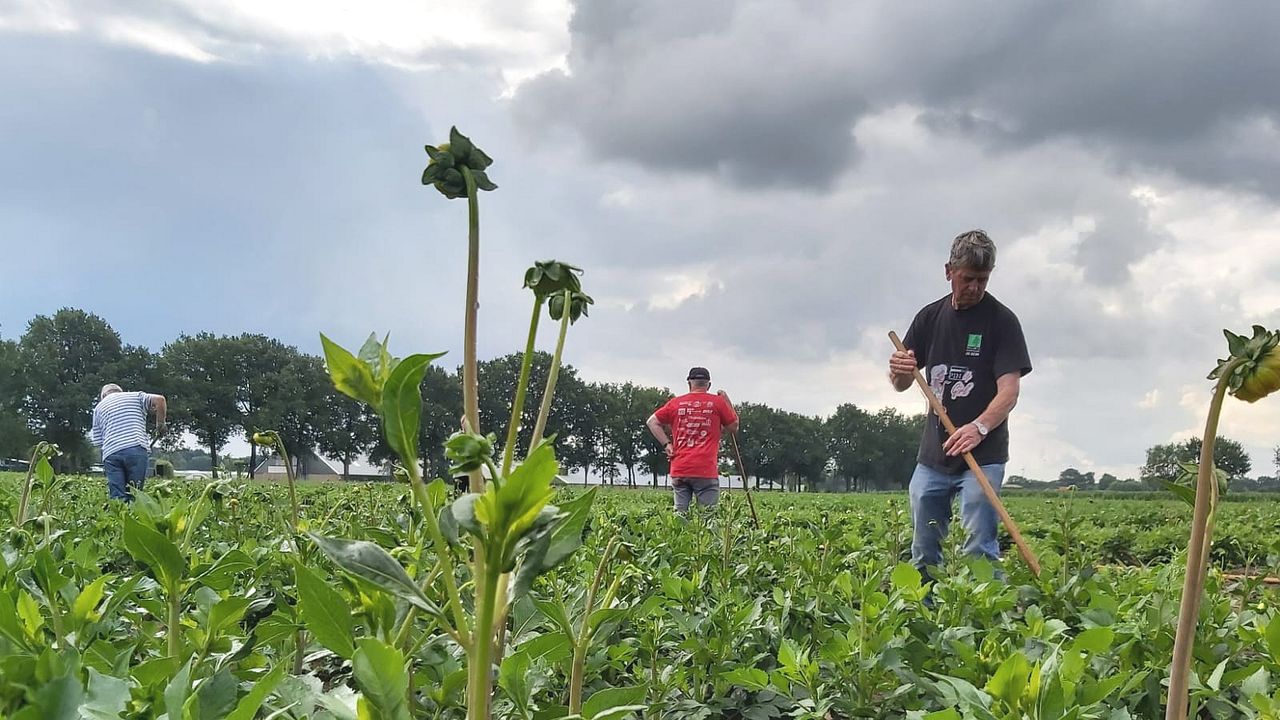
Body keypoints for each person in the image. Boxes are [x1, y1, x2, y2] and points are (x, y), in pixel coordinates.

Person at [887, 230, 1031, 579]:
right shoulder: (929, 318)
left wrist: (978, 428)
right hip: (934, 455)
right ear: (949, 271)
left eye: (983, 280)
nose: (975, 288)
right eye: (967, 278)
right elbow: (902, 383)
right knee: (924, 546)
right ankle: (924, 606)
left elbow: (1009, 391)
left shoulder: (1002, 322)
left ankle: (983, 608)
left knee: (978, 546)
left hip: (984, 454)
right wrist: (900, 370)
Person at [646, 367, 739, 515]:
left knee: (680, 516)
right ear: (708, 385)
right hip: (705, 470)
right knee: (708, 518)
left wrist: (667, 444)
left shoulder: (676, 403)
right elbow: (733, 427)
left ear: (689, 383)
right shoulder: (718, 403)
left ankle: (678, 529)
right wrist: (727, 401)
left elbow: (652, 422)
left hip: (680, 468)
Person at [90, 383, 166, 502]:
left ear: (103, 396)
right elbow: (160, 400)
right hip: (135, 448)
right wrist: (160, 424)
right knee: (135, 493)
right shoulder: (135, 396)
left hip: (111, 452)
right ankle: (134, 510)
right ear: (120, 392)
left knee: (117, 496)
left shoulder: (98, 408)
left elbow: (99, 442)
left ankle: (120, 511)